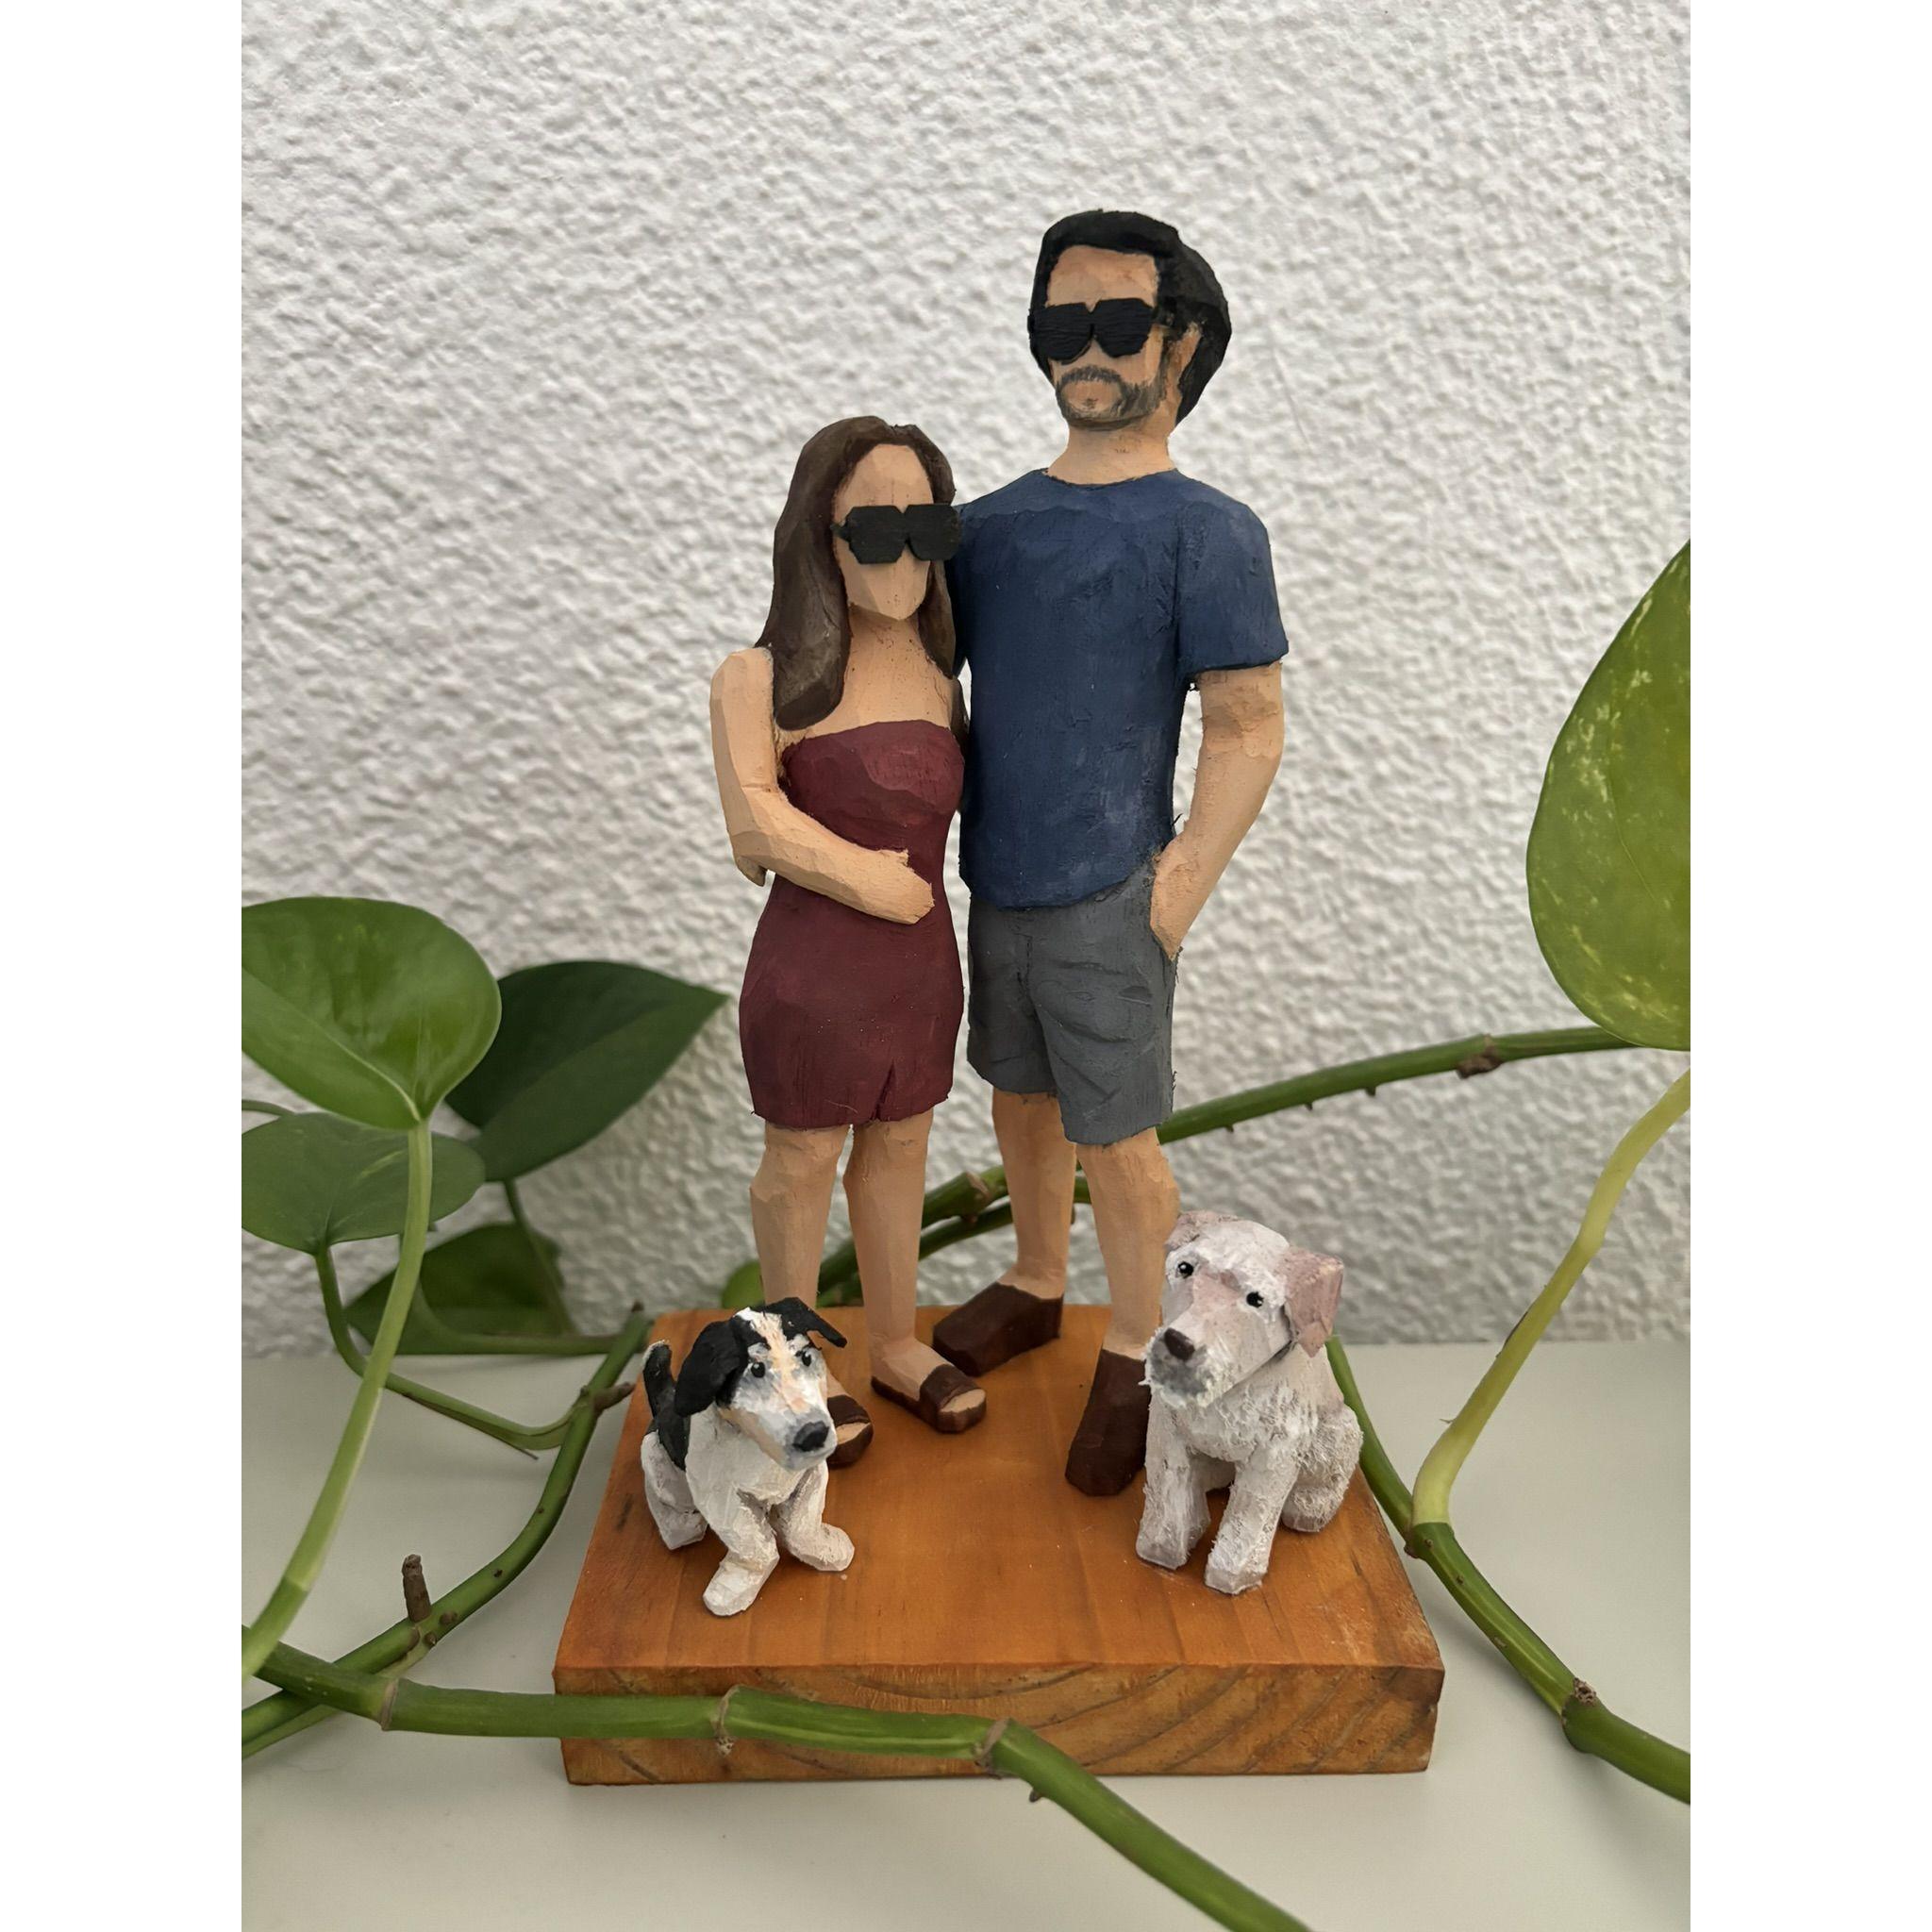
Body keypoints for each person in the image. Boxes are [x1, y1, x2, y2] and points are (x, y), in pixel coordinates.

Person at [932, 210, 1289, 1495]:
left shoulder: (1209, 532)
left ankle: (1140, 1340)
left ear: (1179, 343)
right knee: (1017, 1095)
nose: (1086, 348)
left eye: (1117, 322)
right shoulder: (985, 530)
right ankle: (1038, 1276)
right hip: (997, 876)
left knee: (1119, 1135)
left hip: (1112, 889)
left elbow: (1247, 721)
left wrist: (1178, 879)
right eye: (1061, 323)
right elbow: (924, 684)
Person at [711, 418, 987, 1467]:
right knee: (803, 1157)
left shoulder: (939, 677)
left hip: (919, 968)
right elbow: (754, 820)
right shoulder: (757, 677)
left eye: (927, 528)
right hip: (814, 969)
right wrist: (865, 876)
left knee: (902, 1147)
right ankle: (791, 1357)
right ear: (817, 536)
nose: (902, 555)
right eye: (875, 528)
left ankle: (897, 1343)